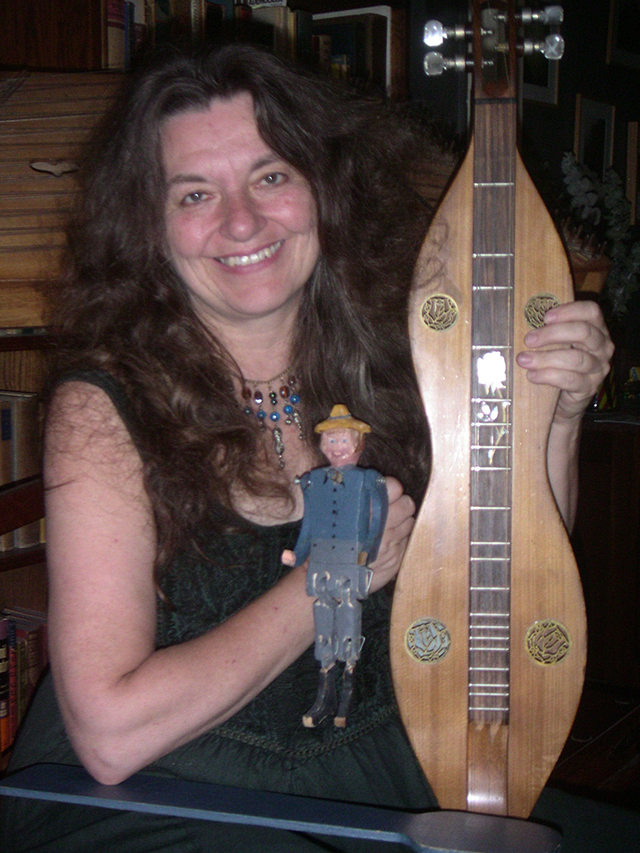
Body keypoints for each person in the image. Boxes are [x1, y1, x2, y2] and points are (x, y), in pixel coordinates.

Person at [0, 42, 632, 853]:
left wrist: (563, 411)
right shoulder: (102, 408)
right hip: (162, 793)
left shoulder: (408, 351)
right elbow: (112, 734)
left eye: (270, 176)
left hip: (380, 768)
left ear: (323, 191)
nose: (241, 220)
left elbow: (506, 586)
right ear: (150, 225)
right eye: (196, 192)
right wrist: (336, 580)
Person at [281, 405, 388, 728]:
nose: (336, 447)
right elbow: (309, 524)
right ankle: (324, 689)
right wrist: (298, 555)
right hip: (323, 554)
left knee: (348, 613)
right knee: (323, 614)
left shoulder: (369, 480)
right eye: (331, 440)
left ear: (357, 444)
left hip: (351, 553)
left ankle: (347, 689)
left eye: (342, 440)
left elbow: (377, 519)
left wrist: (368, 551)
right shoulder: (314, 481)